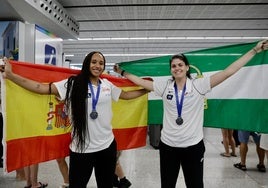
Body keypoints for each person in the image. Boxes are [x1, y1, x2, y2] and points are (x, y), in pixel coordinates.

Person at [114, 40, 268, 188]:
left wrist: (254, 50)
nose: (177, 68)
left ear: (187, 67)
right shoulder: (165, 86)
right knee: (167, 185)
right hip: (168, 147)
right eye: (173, 66)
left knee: (195, 185)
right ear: (170, 70)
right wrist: (122, 72)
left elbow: (228, 72)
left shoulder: (199, 85)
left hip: (193, 147)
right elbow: (140, 82)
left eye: (180, 65)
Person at [1, 51, 148, 188]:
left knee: (106, 184)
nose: (97, 66)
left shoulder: (107, 85)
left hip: (107, 146)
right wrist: (11, 76)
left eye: (101, 63)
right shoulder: (72, 83)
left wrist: (146, 89)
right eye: (94, 62)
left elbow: (127, 96)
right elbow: (40, 88)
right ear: (86, 63)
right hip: (81, 148)